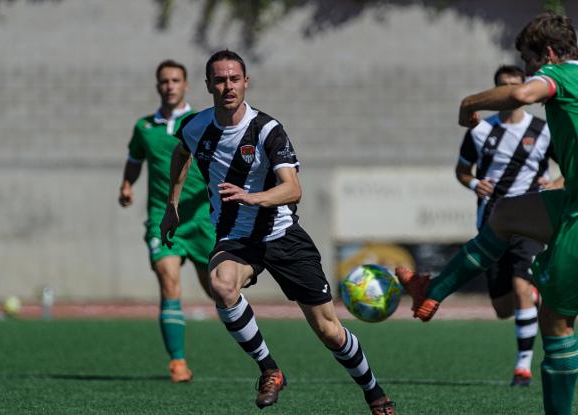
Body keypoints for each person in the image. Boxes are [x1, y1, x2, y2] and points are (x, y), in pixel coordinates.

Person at [159, 50, 396, 414]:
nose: (227, 87)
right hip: (237, 237)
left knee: (329, 330)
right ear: (208, 85)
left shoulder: (267, 129)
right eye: (219, 80)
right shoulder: (195, 126)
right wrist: (172, 205)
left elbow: (292, 188)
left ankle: (373, 391)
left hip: (283, 235)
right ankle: (270, 369)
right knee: (222, 285)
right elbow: (181, 154)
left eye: (234, 79)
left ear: (246, 82)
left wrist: (252, 197)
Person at [396, 12, 578, 415]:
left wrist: (469, 104)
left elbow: (521, 96)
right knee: (506, 215)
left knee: (557, 323)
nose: (529, 73)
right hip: (569, 201)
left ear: (547, 54)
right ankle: (432, 290)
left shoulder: (560, 76)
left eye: (530, 64)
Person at [455, 64, 562, 386]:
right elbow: (462, 171)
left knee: (520, 287)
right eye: (503, 86)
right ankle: (534, 295)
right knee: (503, 307)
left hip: (531, 220)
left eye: (515, 86)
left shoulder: (544, 130)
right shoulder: (479, 131)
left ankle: (523, 367)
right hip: (491, 220)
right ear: (496, 91)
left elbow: (570, 169)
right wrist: (474, 184)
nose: (510, 92)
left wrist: (554, 184)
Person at [118, 60, 215, 383]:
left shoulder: (203, 122)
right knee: (168, 281)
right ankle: (178, 362)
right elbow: (134, 161)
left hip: (202, 219)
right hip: (164, 217)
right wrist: (127, 184)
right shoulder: (144, 127)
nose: (170, 85)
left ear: (186, 85)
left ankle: (258, 355)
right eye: (164, 81)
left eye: (176, 80)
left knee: (219, 290)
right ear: (158, 86)